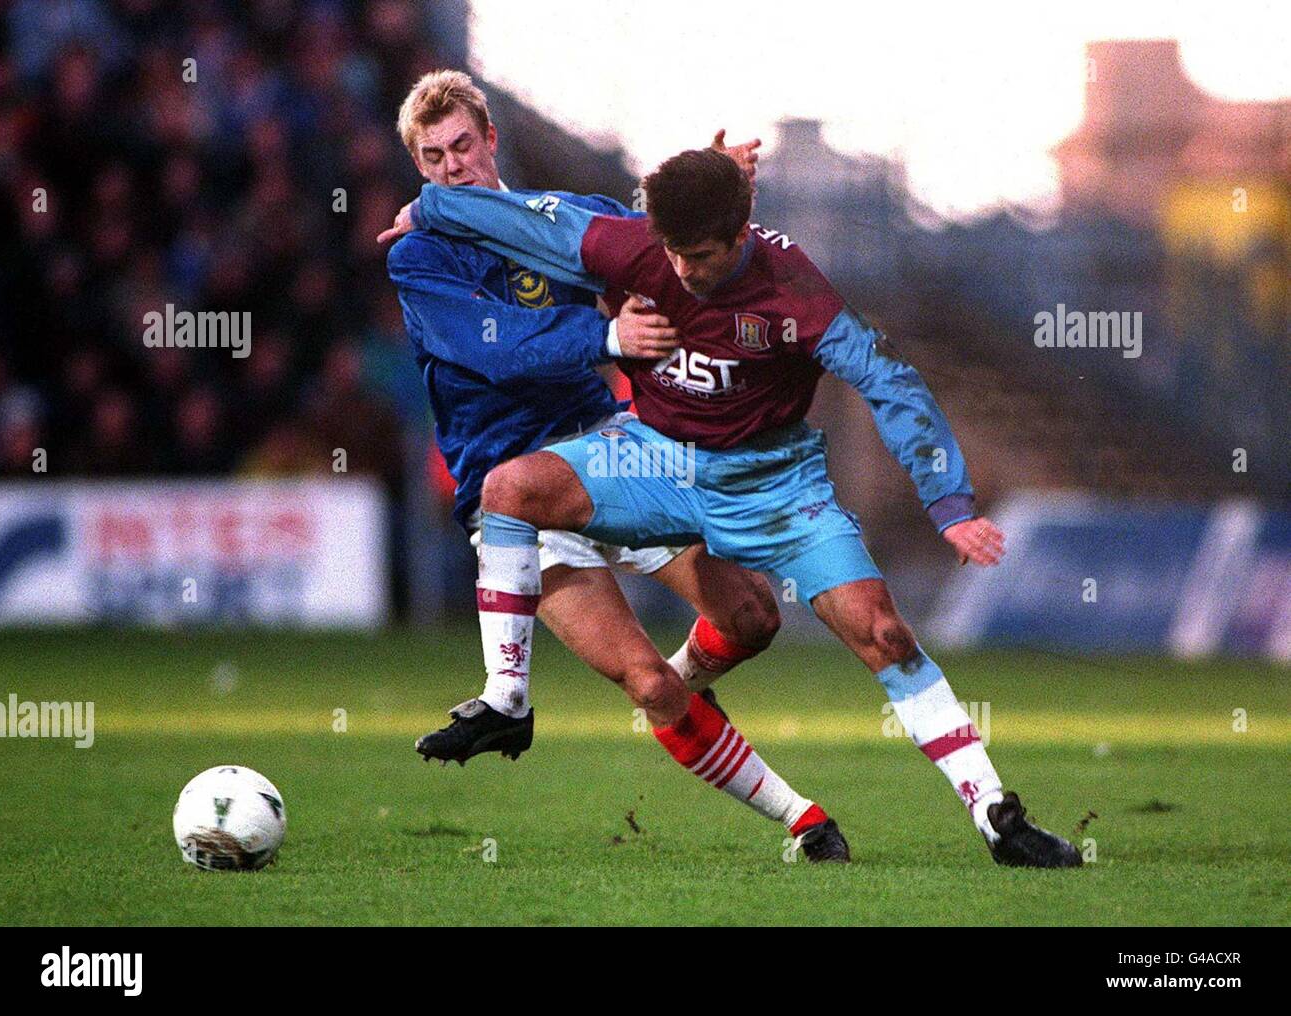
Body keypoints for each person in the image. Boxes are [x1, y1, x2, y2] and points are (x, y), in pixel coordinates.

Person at [401, 146, 1083, 868]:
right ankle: (508, 698)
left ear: (740, 234)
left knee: (881, 633)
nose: (683, 271)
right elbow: (531, 221)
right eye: (673, 253)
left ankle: (994, 815)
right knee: (507, 490)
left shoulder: (795, 293)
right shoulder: (639, 249)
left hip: (773, 481)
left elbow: (893, 384)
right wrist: (430, 206)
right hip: (652, 458)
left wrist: (950, 505)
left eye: (698, 256)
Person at [381, 71, 848, 861]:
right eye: (434, 158)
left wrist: (714, 171)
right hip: (517, 501)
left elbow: (647, 234)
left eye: (463, 145)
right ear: (421, 170)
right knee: (649, 683)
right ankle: (805, 821)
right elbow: (492, 348)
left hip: (611, 449)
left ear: (491, 140)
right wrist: (605, 339)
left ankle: (669, 700)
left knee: (755, 617)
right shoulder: (420, 257)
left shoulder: (555, 219)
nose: (454, 166)